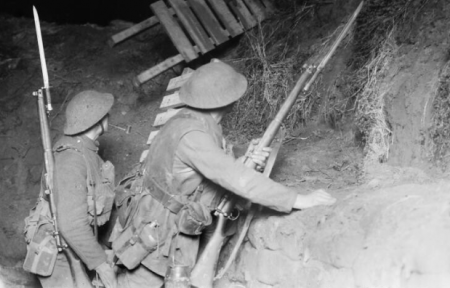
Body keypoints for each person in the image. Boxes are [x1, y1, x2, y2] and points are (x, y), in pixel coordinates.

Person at [112, 59, 336, 288]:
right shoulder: (193, 134)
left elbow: (202, 170)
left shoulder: (193, 121)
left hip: (165, 222)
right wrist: (298, 199)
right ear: (228, 100)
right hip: (160, 234)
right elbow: (240, 181)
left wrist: (242, 159)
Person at [23, 90, 117, 288]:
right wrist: (102, 265)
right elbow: (72, 225)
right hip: (57, 252)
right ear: (97, 121)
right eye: (105, 114)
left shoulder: (86, 149)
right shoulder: (71, 159)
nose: (109, 116)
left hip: (74, 243)